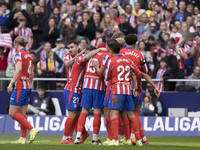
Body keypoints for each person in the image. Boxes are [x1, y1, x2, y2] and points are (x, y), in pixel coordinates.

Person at [62, 45, 106, 144]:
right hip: (73, 89)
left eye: (72, 47)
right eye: (68, 48)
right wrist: (98, 50)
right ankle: (65, 138)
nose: (69, 49)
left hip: (81, 89)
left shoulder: (82, 58)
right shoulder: (78, 58)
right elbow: (68, 63)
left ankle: (81, 134)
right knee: (73, 114)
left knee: (78, 114)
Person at [102, 39, 143, 146]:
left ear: (110, 50)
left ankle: (115, 140)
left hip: (116, 90)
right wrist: (136, 86)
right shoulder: (127, 60)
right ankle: (138, 140)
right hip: (127, 90)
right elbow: (137, 73)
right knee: (131, 115)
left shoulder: (111, 60)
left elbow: (107, 77)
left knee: (114, 113)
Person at [74, 42, 110, 145]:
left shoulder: (86, 57)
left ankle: (78, 136)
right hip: (99, 86)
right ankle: (94, 139)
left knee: (84, 112)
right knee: (97, 112)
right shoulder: (103, 55)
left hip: (87, 86)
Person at [7, 36, 39, 144]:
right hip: (28, 86)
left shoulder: (18, 54)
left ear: (16, 44)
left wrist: (11, 83)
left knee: (12, 113)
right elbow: (32, 73)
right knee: (22, 114)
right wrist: (29, 83)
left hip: (21, 86)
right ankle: (22, 138)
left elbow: (19, 69)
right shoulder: (29, 55)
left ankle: (32, 129)